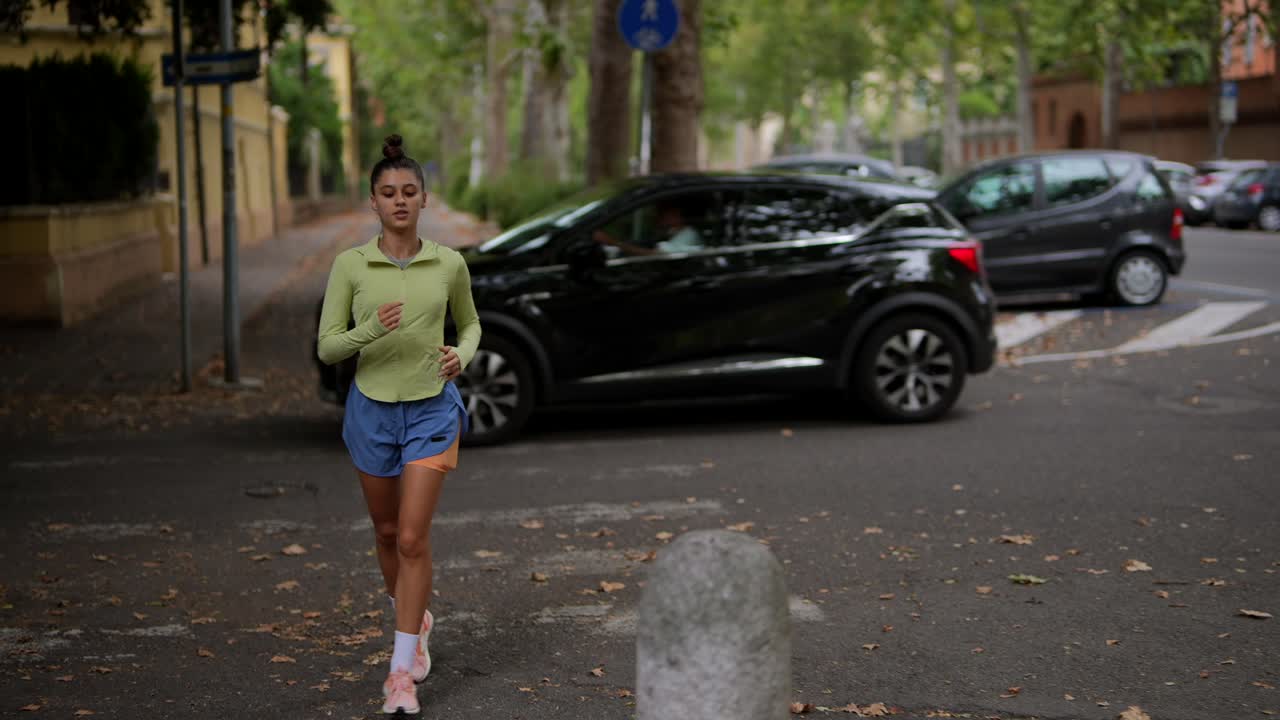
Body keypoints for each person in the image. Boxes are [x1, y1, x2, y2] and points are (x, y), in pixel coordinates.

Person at [316, 134, 481, 715]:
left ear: (425, 198)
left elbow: (471, 325)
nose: (400, 200)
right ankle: (416, 618)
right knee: (386, 533)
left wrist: (462, 355)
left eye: (409, 191)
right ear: (374, 202)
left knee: (412, 537)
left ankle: (400, 673)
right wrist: (370, 330)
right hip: (372, 410)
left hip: (432, 407)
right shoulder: (351, 266)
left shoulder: (449, 263)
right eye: (388, 193)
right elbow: (328, 347)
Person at [592, 200, 704, 256]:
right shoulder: (670, 232)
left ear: (677, 215)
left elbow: (655, 254)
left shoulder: (689, 234)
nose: (659, 218)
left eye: (664, 215)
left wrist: (613, 242)